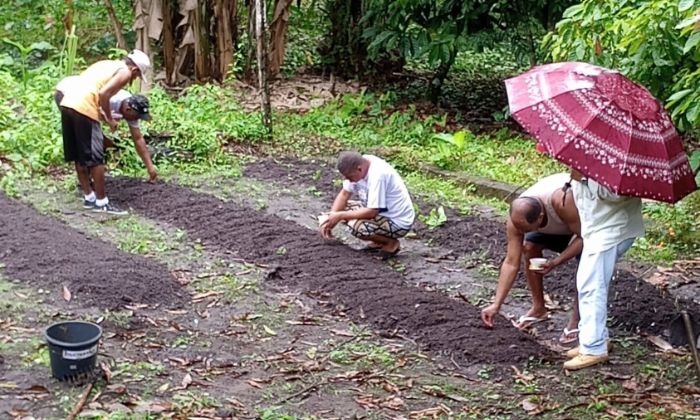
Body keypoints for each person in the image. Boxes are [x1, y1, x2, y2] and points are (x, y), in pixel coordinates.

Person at [481, 173, 582, 343]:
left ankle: (576, 320)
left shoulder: (562, 201)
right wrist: (496, 304)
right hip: (560, 225)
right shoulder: (517, 218)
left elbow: (584, 237)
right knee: (529, 247)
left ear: (541, 217)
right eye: (519, 228)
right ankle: (538, 309)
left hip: (580, 225)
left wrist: (556, 262)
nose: (522, 232)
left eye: (526, 228)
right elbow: (511, 262)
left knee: (587, 262)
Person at [563, 170, 644, 370]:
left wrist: (583, 177)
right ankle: (594, 338)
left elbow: (616, 192)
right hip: (599, 229)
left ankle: (593, 348)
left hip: (611, 230)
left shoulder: (622, 162)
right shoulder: (599, 155)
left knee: (591, 286)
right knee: (591, 283)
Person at [57, 49, 151, 215]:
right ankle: (102, 203)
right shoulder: (125, 72)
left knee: (79, 155)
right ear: (134, 69)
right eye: (136, 76)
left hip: (67, 102)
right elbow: (103, 93)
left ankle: (89, 198)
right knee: (96, 157)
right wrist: (109, 118)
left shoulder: (107, 64)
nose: (133, 79)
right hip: (84, 105)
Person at [55, 76, 157, 184]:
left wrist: (150, 167)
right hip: (67, 93)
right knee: (86, 139)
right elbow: (88, 118)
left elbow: (138, 138)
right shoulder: (110, 99)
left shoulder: (131, 109)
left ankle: (91, 175)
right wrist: (103, 133)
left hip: (86, 103)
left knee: (97, 141)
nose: (136, 120)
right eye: (137, 117)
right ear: (128, 109)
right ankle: (86, 181)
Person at [320, 151, 415, 258]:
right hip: (380, 212)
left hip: (396, 221)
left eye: (350, 177)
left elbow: (372, 211)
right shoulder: (359, 163)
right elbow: (344, 194)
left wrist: (340, 216)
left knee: (357, 227)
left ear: (359, 169)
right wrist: (331, 219)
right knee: (343, 208)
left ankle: (390, 243)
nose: (348, 180)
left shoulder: (378, 175)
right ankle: (379, 242)